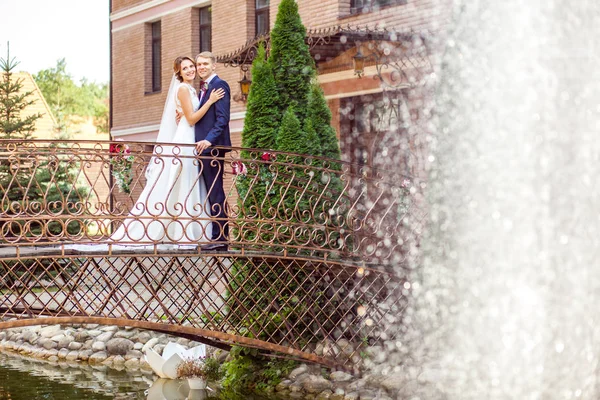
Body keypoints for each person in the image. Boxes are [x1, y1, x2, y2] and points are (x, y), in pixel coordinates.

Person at [110, 56, 225, 246]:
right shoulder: (182, 89)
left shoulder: (191, 89)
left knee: (187, 183)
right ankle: (180, 232)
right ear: (179, 72)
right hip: (185, 140)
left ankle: (188, 229)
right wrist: (211, 101)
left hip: (191, 138)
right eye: (185, 68)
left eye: (191, 66)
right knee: (181, 181)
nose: (190, 70)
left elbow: (188, 116)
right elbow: (192, 118)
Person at [192, 51, 232, 251]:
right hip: (204, 148)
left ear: (214, 65)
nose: (201, 67)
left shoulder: (219, 85)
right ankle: (215, 235)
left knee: (215, 191)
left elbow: (222, 118)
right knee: (210, 191)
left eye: (205, 64)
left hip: (213, 148)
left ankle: (221, 238)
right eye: (199, 64)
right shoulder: (205, 88)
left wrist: (208, 140)